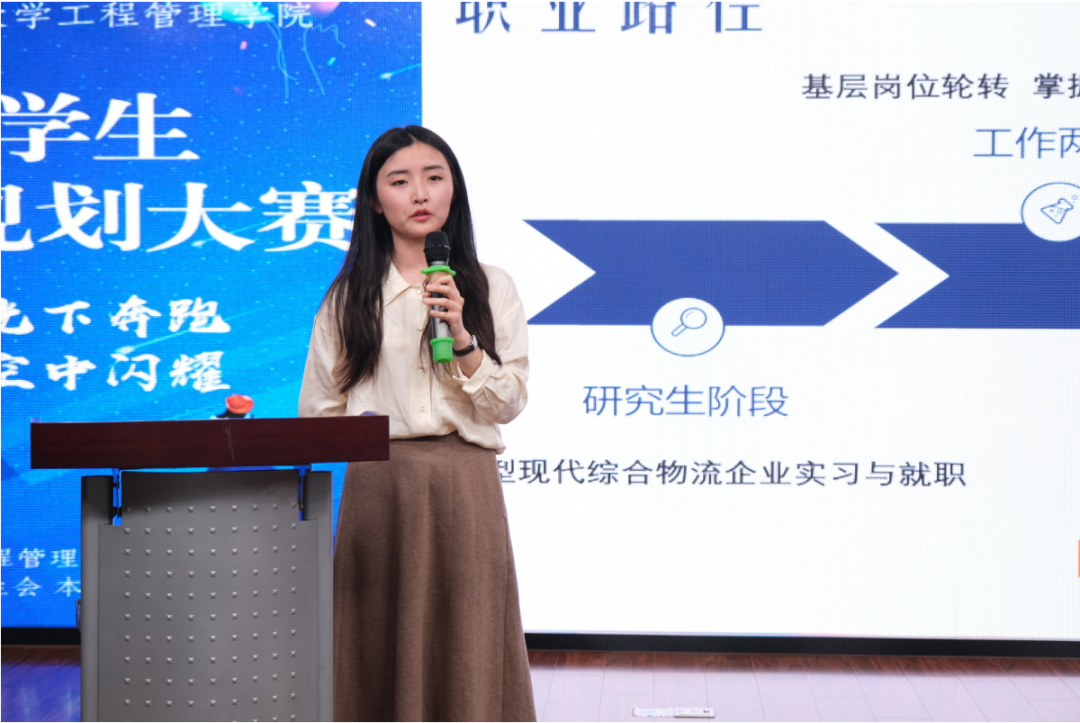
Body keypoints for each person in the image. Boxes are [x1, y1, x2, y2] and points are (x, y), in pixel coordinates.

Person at [299, 126, 535, 722]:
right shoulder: (348, 299)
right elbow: (318, 414)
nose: (421, 193)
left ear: (455, 189)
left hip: (466, 484)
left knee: (469, 642)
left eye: (434, 177)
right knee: (377, 644)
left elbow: (509, 402)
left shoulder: (491, 286)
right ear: (376, 202)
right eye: (400, 181)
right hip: (381, 488)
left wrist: (462, 338)